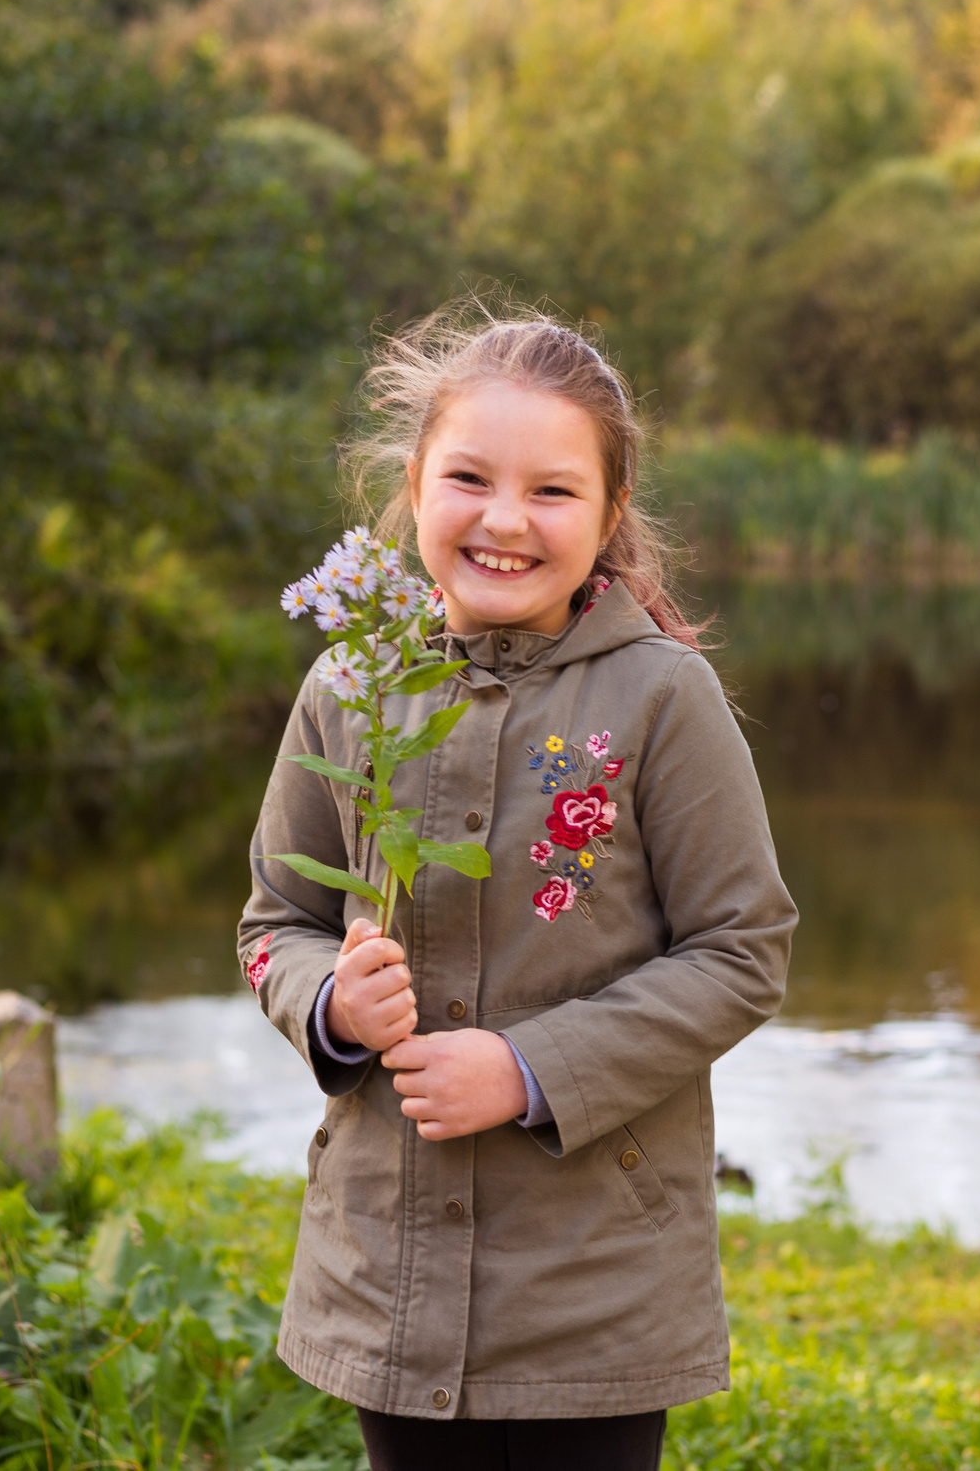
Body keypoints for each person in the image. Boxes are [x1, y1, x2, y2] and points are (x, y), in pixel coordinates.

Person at [236, 307, 798, 1471]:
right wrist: (329, 1003)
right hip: (383, 1267)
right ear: (413, 484)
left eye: (551, 490)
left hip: (594, 1281)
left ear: (609, 510)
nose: (503, 519)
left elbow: (742, 949)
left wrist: (528, 1067)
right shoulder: (348, 685)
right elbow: (274, 919)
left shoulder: (661, 698)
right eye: (469, 478)